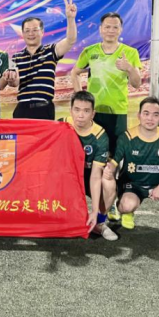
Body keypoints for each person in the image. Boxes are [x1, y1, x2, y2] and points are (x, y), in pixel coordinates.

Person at [102, 97, 159, 241]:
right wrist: (109, 168)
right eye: (146, 113)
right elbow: (114, 162)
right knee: (127, 205)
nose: (150, 118)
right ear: (139, 115)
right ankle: (127, 211)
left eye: (155, 114)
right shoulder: (126, 137)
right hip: (133, 186)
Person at [70, 12, 142, 157]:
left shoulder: (130, 52)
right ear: (101, 29)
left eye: (115, 27)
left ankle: (113, 173)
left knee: (115, 153)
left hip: (118, 111)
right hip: (93, 111)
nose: (111, 31)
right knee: (90, 152)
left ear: (120, 30)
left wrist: (129, 68)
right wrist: (80, 97)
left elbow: (136, 84)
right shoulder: (89, 51)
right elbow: (75, 72)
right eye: (107, 27)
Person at [59, 91, 118, 241]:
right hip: (69, 178)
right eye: (77, 110)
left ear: (93, 114)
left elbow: (96, 175)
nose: (80, 115)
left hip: (89, 176)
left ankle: (99, 222)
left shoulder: (100, 136)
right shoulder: (61, 125)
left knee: (109, 183)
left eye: (86, 111)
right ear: (71, 110)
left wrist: (95, 210)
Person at [11, 0, 77, 120]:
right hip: (21, 110)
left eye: (35, 30)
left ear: (42, 32)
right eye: (27, 30)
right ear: (22, 34)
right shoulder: (16, 57)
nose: (31, 34)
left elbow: (70, 40)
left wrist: (70, 18)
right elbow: (14, 83)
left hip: (44, 109)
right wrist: (11, 80)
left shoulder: (51, 51)